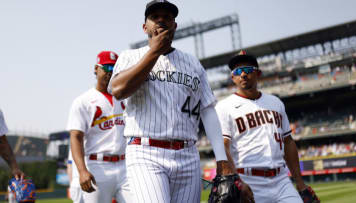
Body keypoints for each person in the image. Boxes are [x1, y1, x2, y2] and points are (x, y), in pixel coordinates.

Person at [110, 1, 253, 202]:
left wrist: (222, 159)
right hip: (146, 153)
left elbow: (208, 110)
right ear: (145, 27)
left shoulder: (193, 63)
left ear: (175, 25)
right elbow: (118, 90)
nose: (161, 20)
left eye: (167, 17)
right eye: (154, 17)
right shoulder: (130, 56)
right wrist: (154, 52)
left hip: (187, 156)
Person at [215, 51, 311, 203]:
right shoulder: (224, 107)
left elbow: (288, 142)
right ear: (233, 78)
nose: (243, 75)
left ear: (258, 73)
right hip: (249, 180)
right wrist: (237, 182)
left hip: (281, 180)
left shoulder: (276, 103)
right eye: (238, 71)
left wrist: (299, 182)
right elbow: (222, 147)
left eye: (247, 69)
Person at [68, 51, 133, 203]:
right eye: (107, 68)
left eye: (114, 69)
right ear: (96, 69)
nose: (110, 73)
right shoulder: (83, 101)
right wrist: (82, 171)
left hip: (125, 166)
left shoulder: (127, 98)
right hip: (97, 166)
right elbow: (76, 137)